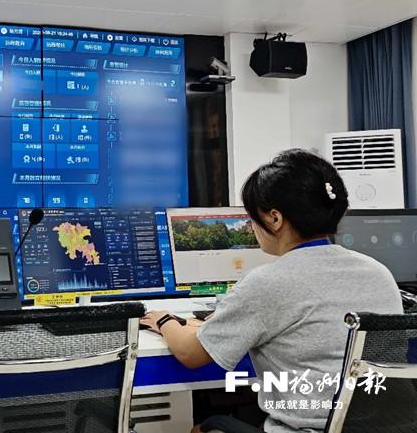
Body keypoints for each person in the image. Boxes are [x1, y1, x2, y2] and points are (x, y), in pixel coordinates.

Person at [142, 149, 403, 433]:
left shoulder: (267, 281)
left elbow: (191, 354)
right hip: (380, 427)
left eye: (253, 218)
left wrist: (164, 321)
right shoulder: (379, 272)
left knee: (202, 428)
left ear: (275, 219)